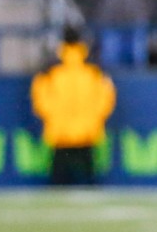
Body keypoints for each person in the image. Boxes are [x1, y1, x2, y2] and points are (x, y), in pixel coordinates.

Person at [30, 26, 116, 186]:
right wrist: (96, 115)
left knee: (58, 182)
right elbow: (106, 93)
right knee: (89, 180)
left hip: (60, 130)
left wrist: (51, 114)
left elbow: (39, 95)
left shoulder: (51, 66)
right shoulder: (93, 65)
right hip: (87, 129)